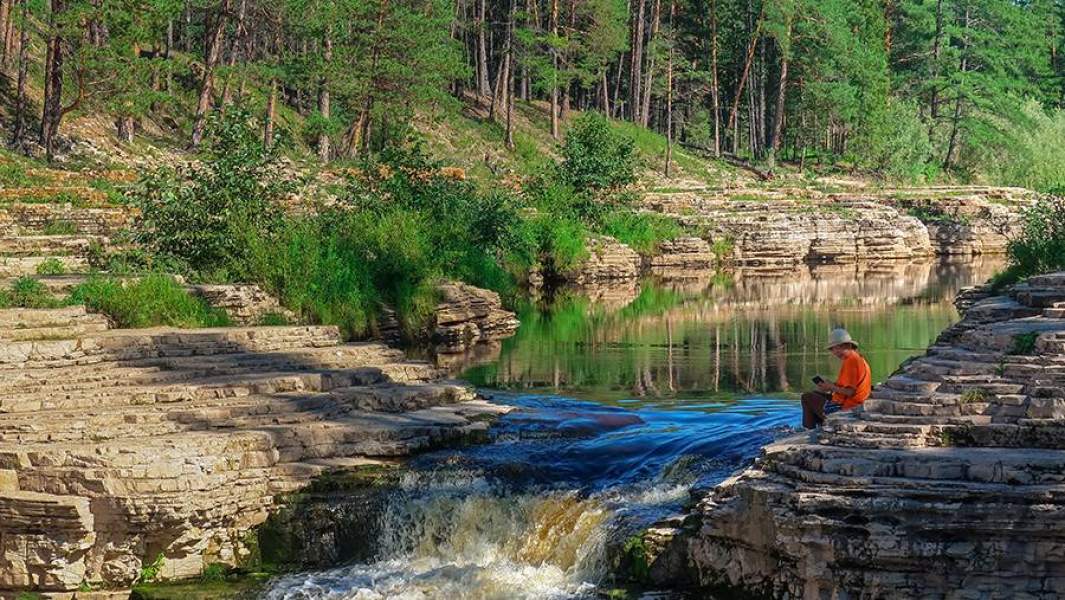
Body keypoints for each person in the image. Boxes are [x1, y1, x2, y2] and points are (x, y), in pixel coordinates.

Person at [801, 328, 872, 429]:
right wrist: (830, 386)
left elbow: (850, 392)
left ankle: (808, 430)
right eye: (832, 349)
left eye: (837, 348)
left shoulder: (851, 361)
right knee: (815, 394)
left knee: (806, 397)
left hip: (848, 407)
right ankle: (821, 425)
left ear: (848, 346)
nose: (834, 352)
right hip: (852, 403)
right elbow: (847, 386)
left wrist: (831, 387)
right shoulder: (857, 358)